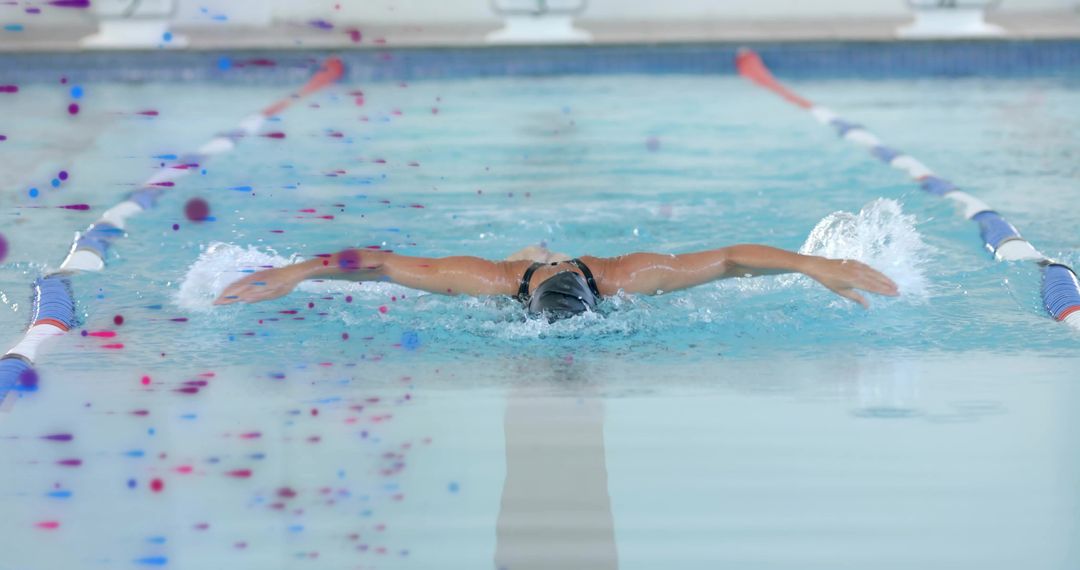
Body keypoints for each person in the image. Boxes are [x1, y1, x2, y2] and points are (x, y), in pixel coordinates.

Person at [213, 243, 899, 321]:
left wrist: (815, 265)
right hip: (526, 268)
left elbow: (727, 258)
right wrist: (297, 270)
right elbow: (384, 263)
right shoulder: (488, 279)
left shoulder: (628, 275)